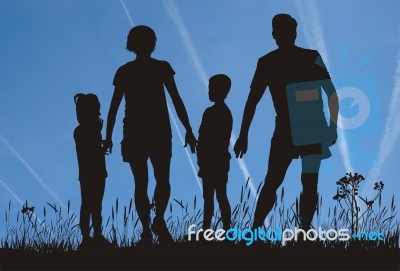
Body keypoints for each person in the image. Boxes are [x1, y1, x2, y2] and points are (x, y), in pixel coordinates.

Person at [234, 14, 339, 231]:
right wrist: (243, 134)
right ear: (276, 34)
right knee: (277, 180)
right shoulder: (269, 62)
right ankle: (256, 229)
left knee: (303, 181)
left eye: (288, 31)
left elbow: (331, 93)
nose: (286, 35)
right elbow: (252, 101)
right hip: (291, 127)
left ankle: (302, 230)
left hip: (309, 126)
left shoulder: (307, 57)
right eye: (284, 31)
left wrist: (332, 126)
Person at [104, 25, 197, 244]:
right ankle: (149, 227)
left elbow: (176, 99)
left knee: (154, 180)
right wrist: (107, 136)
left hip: (152, 131)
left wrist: (189, 130)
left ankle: (155, 223)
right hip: (144, 131)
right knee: (148, 181)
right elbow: (114, 106)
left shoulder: (158, 68)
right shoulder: (127, 71)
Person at [197, 74, 232, 232]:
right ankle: (207, 230)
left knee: (219, 196)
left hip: (215, 160)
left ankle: (224, 229)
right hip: (210, 160)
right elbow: (202, 137)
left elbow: (207, 137)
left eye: (212, 89)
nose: (209, 91)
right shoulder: (214, 112)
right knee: (210, 198)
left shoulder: (220, 113)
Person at [73, 93, 108, 247]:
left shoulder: (86, 130)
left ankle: (97, 236)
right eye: (95, 111)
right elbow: (92, 152)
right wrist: (101, 142)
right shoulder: (81, 131)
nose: (98, 114)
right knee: (88, 204)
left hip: (97, 172)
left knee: (95, 205)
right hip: (90, 173)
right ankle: (87, 238)